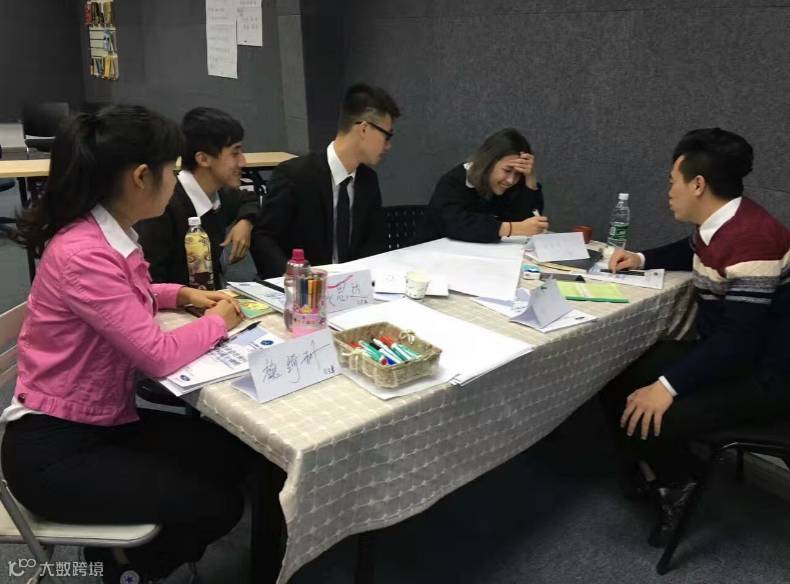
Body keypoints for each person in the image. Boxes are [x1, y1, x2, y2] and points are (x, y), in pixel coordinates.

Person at [2, 105, 254, 583]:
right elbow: (157, 355)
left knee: (229, 453)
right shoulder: (84, 254)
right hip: (54, 451)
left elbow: (125, 296)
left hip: (99, 421)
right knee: (219, 505)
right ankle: (122, 566)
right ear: (141, 177)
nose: (174, 181)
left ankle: (130, 553)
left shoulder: (106, 234)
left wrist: (179, 294)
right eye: (171, 171)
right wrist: (218, 321)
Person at [600, 128, 790, 547]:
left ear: (698, 184)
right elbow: (691, 249)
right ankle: (651, 467)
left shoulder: (753, 238)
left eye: (673, 181)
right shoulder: (722, 222)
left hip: (766, 375)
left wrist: (667, 387)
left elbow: (739, 342)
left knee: (654, 412)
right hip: (727, 355)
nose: (669, 191)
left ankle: (679, 485)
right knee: (615, 376)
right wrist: (641, 258)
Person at [250, 83, 398, 278]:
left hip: (351, 286)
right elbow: (263, 238)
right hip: (304, 287)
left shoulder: (368, 181)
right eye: (387, 136)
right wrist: (292, 276)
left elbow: (374, 244)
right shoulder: (295, 175)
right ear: (363, 129)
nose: (388, 146)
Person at [137, 106, 259, 288]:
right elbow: (151, 283)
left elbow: (249, 200)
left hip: (210, 298)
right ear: (203, 159)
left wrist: (245, 222)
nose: (243, 162)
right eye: (235, 153)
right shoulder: (162, 207)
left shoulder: (219, 194)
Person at [414, 128, 547, 243]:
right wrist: (513, 228)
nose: (510, 180)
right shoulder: (454, 182)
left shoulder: (509, 186)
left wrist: (530, 179)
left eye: (518, 174)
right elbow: (457, 225)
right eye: (507, 170)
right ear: (488, 163)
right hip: (432, 254)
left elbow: (527, 220)